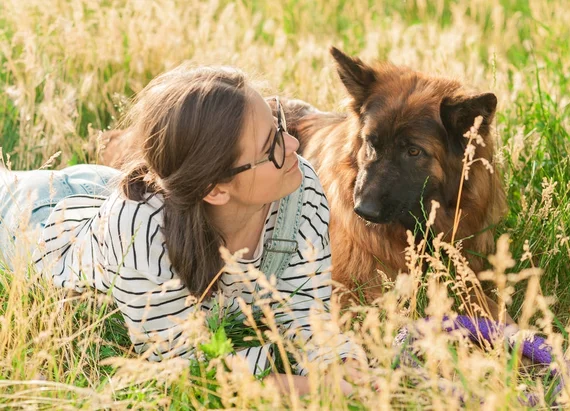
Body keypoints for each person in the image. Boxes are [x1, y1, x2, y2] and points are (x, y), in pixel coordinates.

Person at [0, 65, 365, 395]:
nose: (294, 145)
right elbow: (184, 369)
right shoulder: (139, 230)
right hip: (36, 221)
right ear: (216, 189)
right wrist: (306, 385)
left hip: (107, 188)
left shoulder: (298, 186)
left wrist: (347, 366)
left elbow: (308, 316)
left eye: (279, 125)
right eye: (271, 146)